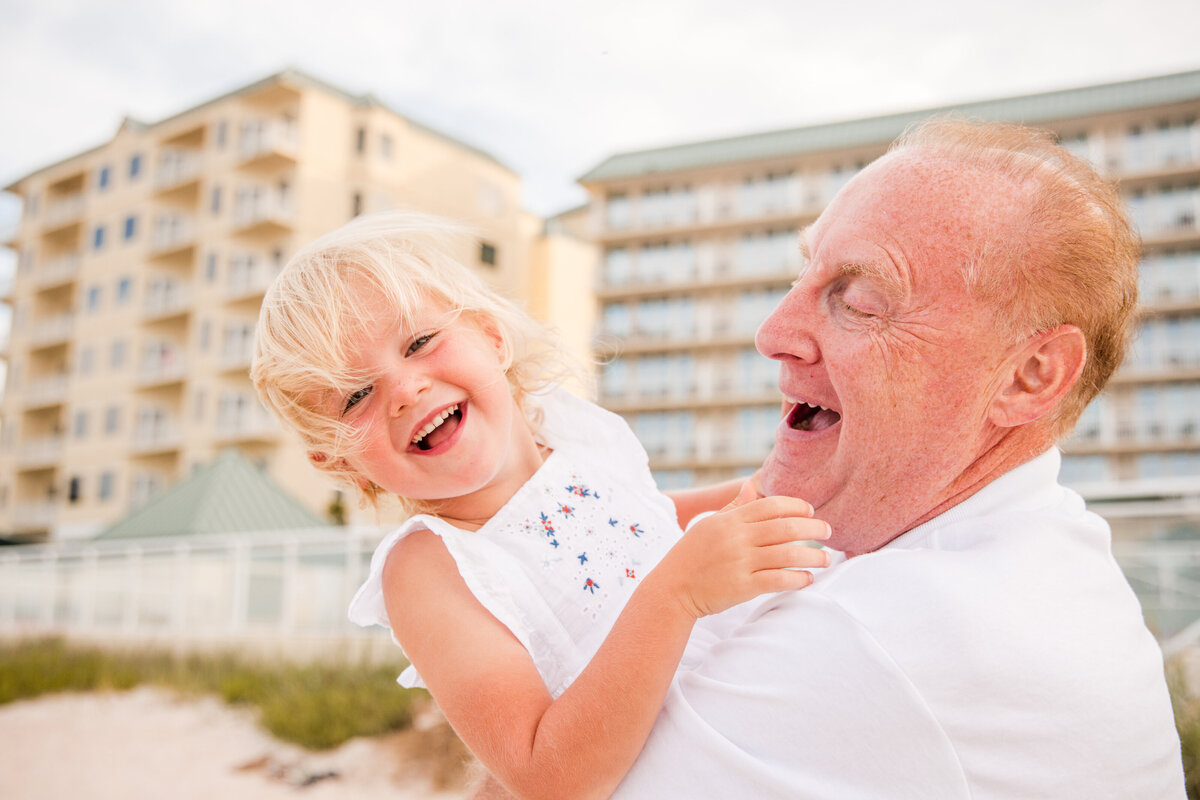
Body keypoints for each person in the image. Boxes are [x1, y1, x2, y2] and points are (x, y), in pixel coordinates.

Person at [605, 117, 1186, 798]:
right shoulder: (1025, 544)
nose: (773, 333)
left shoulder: (891, 636)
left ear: (1029, 375)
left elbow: (553, 775)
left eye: (859, 301)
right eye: (803, 274)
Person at [250, 211, 831, 800]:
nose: (404, 389)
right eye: (356, 395)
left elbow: (642, 521)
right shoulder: (430, 567)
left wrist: (776, 485)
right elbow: (547, 777)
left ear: (491, 337)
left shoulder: (576, 435)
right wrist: (676, 593)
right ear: (341, 462)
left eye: (419, 342)